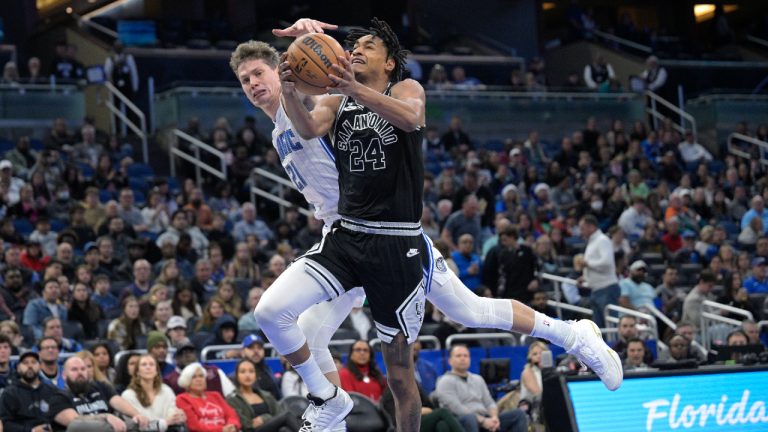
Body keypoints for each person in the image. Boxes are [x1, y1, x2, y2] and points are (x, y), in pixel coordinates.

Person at [235, 19, 621, 429]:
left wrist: (315, 42)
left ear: (282, 68)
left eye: (259, 73)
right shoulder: (287, 124)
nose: (253, 83)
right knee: (302, 331)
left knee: (469, 311)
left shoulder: (346, 98)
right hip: (344, 238)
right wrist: (301, 78)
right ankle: (330, 408)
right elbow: (313, 109)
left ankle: (573, 335)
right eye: (244, 80)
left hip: (394, 237)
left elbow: (339, 79)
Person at [436, 345, 528, 432]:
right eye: (458, 356)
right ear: (450, 361)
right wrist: (482, 421)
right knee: (470, 418)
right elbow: (457, 408)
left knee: (519, 414)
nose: (462, 358)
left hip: (485, 417)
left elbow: (489, 403)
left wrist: (494, 418)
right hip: (462, 420)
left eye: (466, 356)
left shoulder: (477, 379)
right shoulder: (444, 381)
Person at [62, 356, 151, 430]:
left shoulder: (100, 387)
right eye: (74, 369)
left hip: (114, 427)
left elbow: (116, 400)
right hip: (98, 429)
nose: (80, 372)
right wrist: (105, 417)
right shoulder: (59, 396)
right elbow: (74, 422)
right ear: (64, 375)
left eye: (83, 369)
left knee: (137, 423)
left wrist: (137, 415)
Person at [0, 351, 79, 431]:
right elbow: (5, 423)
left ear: (40, 366)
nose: (30, 366)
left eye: (34, 362)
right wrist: (32, 430)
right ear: (18, 368)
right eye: (25, 363)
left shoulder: (53, 391)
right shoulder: (9, 393)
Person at [226, 359, 301, 432]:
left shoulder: (266, 395)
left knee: (284, 430)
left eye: (251, 371)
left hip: (273, 428)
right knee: (287, 415)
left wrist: (265, 418)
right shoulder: (232, 399)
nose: (247, 375)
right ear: (236, 375)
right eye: (243, 372)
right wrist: (268, 418)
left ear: (256, 375)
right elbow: (246, 425)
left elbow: (279, 413)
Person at [122, 355, 187, 431]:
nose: (148, 367)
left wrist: (179, 416)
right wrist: (165, 423)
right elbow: (138, 427)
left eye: (151, 364)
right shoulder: (128, 395)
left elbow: (172, 416)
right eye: (144, 365)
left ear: (156, 371)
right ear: (137, 372)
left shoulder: (166, 390)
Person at [579, 214, 620, 328]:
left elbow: (606, 263)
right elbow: (596, 264)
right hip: (596, 290)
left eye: (582, 228)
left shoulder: (602, 240)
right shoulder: (592, 242)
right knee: (599, 328)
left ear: (591, 227)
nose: (580, 231)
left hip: (606, 288)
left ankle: (615, 345)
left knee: (611, 325)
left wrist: (587, 264)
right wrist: (585, 278)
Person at [176, 362, 241, 432]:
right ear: (187, 381)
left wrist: (233, 426)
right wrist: (221, 430)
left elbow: (231, 414)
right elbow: (194, 426)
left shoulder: (215, 395)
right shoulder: (182, 399)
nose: (199, 379)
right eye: (194, 377)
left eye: (201, 376)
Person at [520, 342, 549, 406]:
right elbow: (539, 394)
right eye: (535, 354)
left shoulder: (550, 371)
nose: (538, 356)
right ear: (530, 357)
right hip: (532, 407)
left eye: (541, 353)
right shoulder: (527, 372)